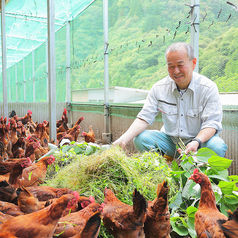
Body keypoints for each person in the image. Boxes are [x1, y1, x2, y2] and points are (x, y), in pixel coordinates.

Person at [113, 42, 227, 158]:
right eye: (171, 66)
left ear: (193, 63)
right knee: (141, 139)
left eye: (180, 65)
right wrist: (123, 140)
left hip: (199, 143)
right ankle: (163, 168)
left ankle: (202, 173)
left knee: (216, 145)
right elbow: (144, 118)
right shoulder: (159, 88)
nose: (176, 71)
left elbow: (211, 124)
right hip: (172, 143)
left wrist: (197, 141)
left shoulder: (208, 88)